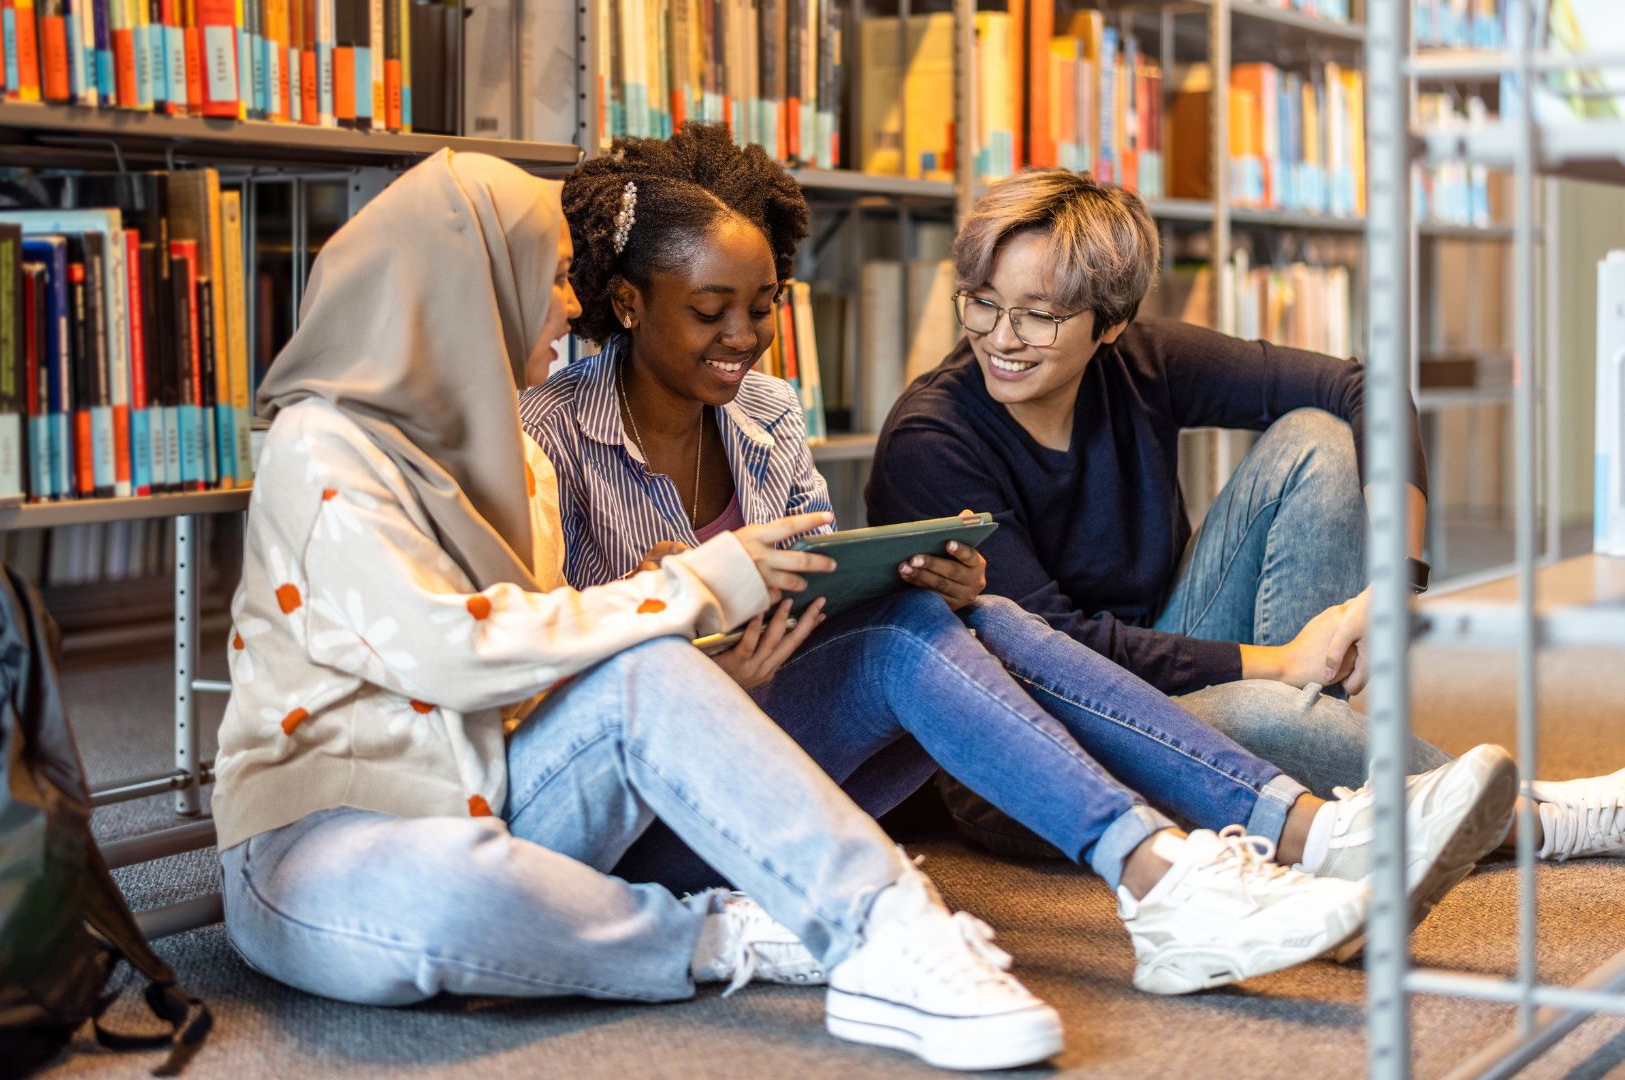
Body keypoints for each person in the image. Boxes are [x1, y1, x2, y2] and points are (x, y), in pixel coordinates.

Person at [518, 125, 1513, 991]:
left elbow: (826, 586)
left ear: (1107, 326)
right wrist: (680, 649)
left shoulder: (769, 420)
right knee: (1227, 701)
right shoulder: (551, 442)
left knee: (967, 611)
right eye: (710, 311)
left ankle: (1265, 846)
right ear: (631, 302)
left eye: (763, 304)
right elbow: (534, 687)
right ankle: (1373, 828)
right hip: (656, 786)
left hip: (800, 734)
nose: (745, 338)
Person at [214, 147, 1084, 1072]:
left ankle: (887, 929)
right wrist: (697, 586)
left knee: (650, 669)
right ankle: (730, 933)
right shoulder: (320, 445)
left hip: (500, 792)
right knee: (443, 902)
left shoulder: (519, 453)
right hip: (334, 825)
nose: (571, 305)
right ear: (471, 285)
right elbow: (451, 650)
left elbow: (550, 669)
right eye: (550, 278)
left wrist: (691, 654)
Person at [864, 167, 1625, 865]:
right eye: (984, 303)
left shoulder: (1141, 365)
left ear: (1110, 324)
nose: (1001, 338)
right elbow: (1055, 649)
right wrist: (1274, 663)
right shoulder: (932, 440)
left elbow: (1367, 391)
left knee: (1319, 441)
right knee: (1266, 718)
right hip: (1034, 747)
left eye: (1039, 316)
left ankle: (1312, 782)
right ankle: (1539, 819)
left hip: (1169, 661)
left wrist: (1397, 582)